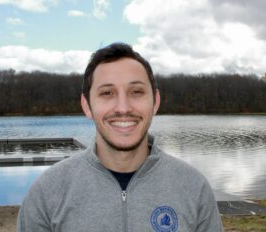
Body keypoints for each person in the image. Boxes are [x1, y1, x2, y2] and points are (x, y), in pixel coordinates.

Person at [17, 43, 223, 232]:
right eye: (107, 93)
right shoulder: (46, 193)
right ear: (87, 105)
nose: (123, 108)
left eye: (136, 91)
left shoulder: (194, 187)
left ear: (156, 102)